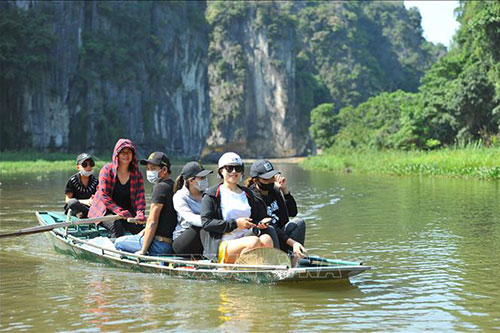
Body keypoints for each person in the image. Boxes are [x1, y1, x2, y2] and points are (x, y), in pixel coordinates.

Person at [200, 152, 274, 264]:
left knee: (266, 239)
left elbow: (256, 218)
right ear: (221, 171)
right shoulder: (211, 194)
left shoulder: (248, 194)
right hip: (223, 244)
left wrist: (260, 223)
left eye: (237, 168)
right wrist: (235, 224)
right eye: (229, 168)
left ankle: (261, 271)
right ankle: (241, 272)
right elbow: (207, 223)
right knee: (253, 242)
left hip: (247, 237)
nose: (234, 172)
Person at [114, 152, 177, 255]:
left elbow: (153, 221)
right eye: (147, 168)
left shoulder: (160, 188)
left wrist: (143, 251)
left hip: (159, 245)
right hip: (170, 244)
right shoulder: (174, 186)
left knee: (118, 242)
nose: (149, 171)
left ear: (164, 170)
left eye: (152, 168)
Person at [246, 159, 307, 257]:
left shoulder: (275, 191)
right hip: (268, 237)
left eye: (272, 177)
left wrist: (284, 190)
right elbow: (269, 226)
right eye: (266, 179)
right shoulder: (252, 197)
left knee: (298, 223)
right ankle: (279, 262)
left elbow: (293, 212)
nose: (271, 181)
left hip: (282, 235)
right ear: (255, 180)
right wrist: (293, 243)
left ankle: (295, 259)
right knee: (270, 229)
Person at [88, 138, 146, 238]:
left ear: (133, 155)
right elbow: (104, 196)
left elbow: (140, 197)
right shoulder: (107, 170)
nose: (126, 155)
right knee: (116, 225)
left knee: (138, 228)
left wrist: (140, 213)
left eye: (129, 152)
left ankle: (140, 251)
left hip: (127, 212)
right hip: (106, 211)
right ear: (117, 155)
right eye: (123, 152)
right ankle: (115, 252)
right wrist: (119, 211)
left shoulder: (136, 174)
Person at [172, 161, 213, 257]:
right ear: (191, 180)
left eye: (205, 177)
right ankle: (211, 258)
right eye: (202, 178)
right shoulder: (179, 196)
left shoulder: (209, 194)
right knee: (200, 226)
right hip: (183, 241)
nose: (205, 180)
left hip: (203, 239)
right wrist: (210, 222)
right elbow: (190, 218)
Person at [64, 153, 98, 218]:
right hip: (75, 207)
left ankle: (87, 213)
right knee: (72, 202)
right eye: (84, 164)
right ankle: (88, 214)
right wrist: (85, 201)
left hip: (88, 207)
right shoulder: (72, 180)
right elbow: (68, 200)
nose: (88, 167)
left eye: (91, 164)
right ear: (78, 167)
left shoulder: (96, 181)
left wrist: (94, 199)